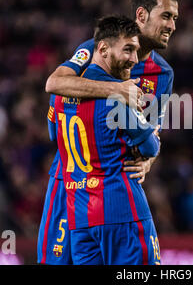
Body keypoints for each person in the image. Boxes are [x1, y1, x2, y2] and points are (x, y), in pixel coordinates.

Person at [37, 0, 180, 264]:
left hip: (112, 183)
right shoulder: (97, 48)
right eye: (166, 16)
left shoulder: (163, 73)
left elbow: (152, 134)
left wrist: (148, 162)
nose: (172, 25)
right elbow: (54, 82)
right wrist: (117, 91)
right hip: (70, 182)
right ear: (141, 15)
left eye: (175, 18)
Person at [56, 15, 160, 264]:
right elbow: (149, 146)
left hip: (79, 215)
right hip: (121, 208)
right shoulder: (119, 96)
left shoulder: (60, 95)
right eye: (128, 50)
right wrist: (153, 134)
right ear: (102, 48)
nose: (134, 59)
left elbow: (53, 132)